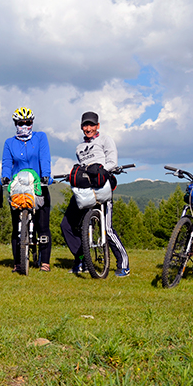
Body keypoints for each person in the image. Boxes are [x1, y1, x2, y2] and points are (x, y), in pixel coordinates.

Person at [60, 111, 129, 276]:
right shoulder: (79, 148)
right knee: (66, 225)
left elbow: (112, 161)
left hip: (102, 186)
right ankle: (81, 259)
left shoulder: (106, 140)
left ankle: (123, 265)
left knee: (107, 228)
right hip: (84, 189)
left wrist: (102, 172)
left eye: (91, 125)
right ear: (81, 127)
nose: (88, 128)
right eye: (85, 125)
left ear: (97, 126)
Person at [1, 107, 52, 273]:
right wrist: (5, 176)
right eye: (21, 123)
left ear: (32, 122)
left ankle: (45, 262)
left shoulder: (40, 137)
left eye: (28, 122)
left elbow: (45, 157)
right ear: (15, 124)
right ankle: (18, 263)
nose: (24, 125)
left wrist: (46, 175)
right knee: (17, 226)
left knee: (42, 225)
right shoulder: (9, 143)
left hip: (38, 185)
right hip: (18, 187)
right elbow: (7, 163)